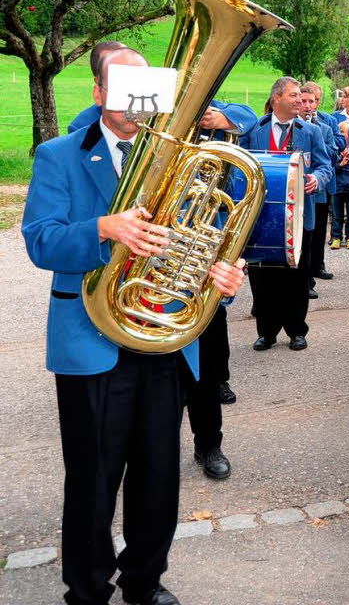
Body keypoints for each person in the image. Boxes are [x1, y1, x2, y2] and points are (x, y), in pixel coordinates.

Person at [22, 46, 246, 605]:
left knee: (157, 478)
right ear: (99, 93)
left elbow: (207, 240)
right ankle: (89, 588)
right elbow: (40, 240)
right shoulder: (60, 155)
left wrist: (221, 275)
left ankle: (145, 580)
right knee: (93, 483)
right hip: (92, 341)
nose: (135, 96)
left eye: (146, 84)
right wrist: (103, 226)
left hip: (164, 340)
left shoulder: (185, 158)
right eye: (120, 84)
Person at [241, 77, 331, 352]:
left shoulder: (311, 131)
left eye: (301, 96)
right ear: (276, 98)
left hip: (299, 215)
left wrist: (317, 178)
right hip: (262, 217)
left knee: (297, 275)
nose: (299, 100)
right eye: (293, 95)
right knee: (262, 276)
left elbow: (326, 165)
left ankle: (296, 331)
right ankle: (266, 332)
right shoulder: (254, 129)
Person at [300, 82, 338, 291]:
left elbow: (334, 152)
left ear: (316, 103)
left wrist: (320, 141)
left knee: (319, 227)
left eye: (311, 102)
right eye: (303, 101)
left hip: (321, 185)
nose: (307, 105)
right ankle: (305, 277)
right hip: (301, 186)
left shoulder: (326, 124)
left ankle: (317, 265)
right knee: (305, 231)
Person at [331, 119, 349, 250]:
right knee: (337, 215)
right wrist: (340, 164)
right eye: (341, 132)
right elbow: (331, 169)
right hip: (337, 187)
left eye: (345, 133)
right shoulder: (335, 151)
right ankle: (336, 237)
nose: (343, 135)